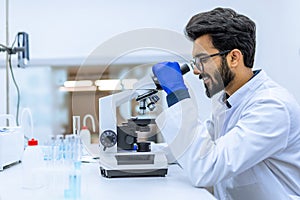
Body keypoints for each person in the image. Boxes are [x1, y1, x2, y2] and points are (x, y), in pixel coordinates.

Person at [152, 7, 300, 200]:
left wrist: (178, 95)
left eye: (202, 60)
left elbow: (206, 168)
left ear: (233, 58)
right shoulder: (227, 101)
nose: (196, 71)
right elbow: (201, 148)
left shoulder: (272, 106)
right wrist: (145, 152)